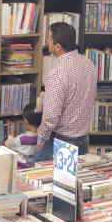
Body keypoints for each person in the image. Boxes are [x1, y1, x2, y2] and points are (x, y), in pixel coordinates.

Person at [35, 22, 96, 161]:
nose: (47, 42)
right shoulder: (89, 64)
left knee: (40, 177)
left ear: (58, 47)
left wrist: (41, 139)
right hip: (83, 139)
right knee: (76, 181)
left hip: (62, 142)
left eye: (49, 38)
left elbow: (51, 116)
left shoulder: (57, 73)